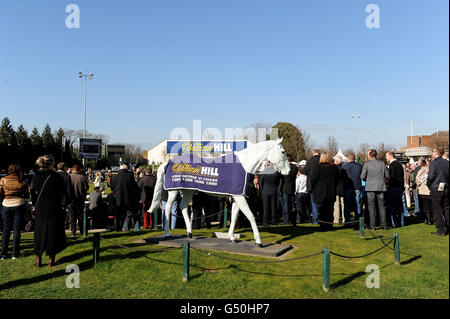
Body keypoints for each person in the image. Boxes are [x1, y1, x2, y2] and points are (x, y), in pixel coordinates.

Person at [31, 155, 66, 267]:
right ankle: (51, 259)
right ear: (51, 164)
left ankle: (38, 258)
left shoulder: (35, 176)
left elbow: (33, 193)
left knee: (39, 233)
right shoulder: (56, 176)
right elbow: (63, 193)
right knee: (52, 232)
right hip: (53, 207)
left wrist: (34, 204)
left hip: (40, 207)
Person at [0, 164, 29, 260]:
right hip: (19, 204)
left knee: (6, 230)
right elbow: (26, 194)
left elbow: (0, 193)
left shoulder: (3, 180)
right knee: (16, 230)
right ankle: (15, 254)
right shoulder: (21, 180)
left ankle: (4, 254)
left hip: (6, 204)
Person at [308, 152, 339, 231]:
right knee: (329, 210)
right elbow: (337, 180)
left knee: (322, 211)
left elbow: (312, 180)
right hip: (330, 192)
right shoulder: (334, 168)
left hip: (319, 192)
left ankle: (323, 226)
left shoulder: (317, 168)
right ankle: (329, 226)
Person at [361, 149, 389, 230]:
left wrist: (368, 180)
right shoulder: (382, 164)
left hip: (370, 187)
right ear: (376, 155)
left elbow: (362, 176)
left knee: (371, 207)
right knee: (382, 206)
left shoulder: (367, 164)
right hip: (380, 186)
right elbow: (387, 175)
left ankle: (372, 225)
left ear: (369, 155)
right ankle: (384, 225)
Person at [111, 163, 140, 231]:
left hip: (117, 198)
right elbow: (134, 187)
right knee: (128, 213)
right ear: (126, 169)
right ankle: (125, 227)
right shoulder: (130, 175)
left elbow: (112, 187)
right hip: (128, 198)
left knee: (118, 214)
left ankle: (118, 228)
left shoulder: (115, 177)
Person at [426, 147, 449, 236]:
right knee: (446, 208)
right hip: (446, 188)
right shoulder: (447, 162)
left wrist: (429, 185)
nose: (432, 153)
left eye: (432, 151)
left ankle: (441, 229)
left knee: (437, 209)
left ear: (436, 153)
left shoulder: (434, 163)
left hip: (436, 188)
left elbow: (431, 176)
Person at [342, 152, 363, 223]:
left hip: (347, 188)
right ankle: (357, 221)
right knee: (357, 205)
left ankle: (347, 222)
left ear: (348, 159)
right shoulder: (360, 166)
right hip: (357, 187)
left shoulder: (344, 167)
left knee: (347, 206)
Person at [69, 164, 89, 236]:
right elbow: (86, 188)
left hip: (71, 201)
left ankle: (73, 232)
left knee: (72, 217)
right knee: (80, 217)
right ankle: (82, 232)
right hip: (80, 200)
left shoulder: (69, 177)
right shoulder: (82, 177)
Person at [385, 152, 405, 228]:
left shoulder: (392, 165)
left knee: (392, 206)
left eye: (386, 156)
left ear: (390, 156)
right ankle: (401, 222)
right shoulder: (399, 164)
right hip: (399, 187)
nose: (386, 158)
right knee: (400, 206)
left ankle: (394, 223)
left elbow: (391, 177)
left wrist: (387, 181)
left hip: (393, 187)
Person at [260, 162, 281, 226]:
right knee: (273, 207)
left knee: (266, 208)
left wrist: (262, 190)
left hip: (265, 192)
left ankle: (265, 222)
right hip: (273, 191)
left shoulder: (264, 173)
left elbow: (261, 183)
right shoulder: (275, 173)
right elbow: (278, 182)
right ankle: (274, 221)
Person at [280, 155, 298, 225]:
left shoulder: (284, 168)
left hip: (285, 188)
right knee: (293, 205)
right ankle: (293, 220)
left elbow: (281, 176)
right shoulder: (295, 167)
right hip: (292, 187)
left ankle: (286, 220)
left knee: (286, 205)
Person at [304, 149, 321, 224]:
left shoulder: (309, 161)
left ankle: (315, 219)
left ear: (313, 153)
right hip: (321, 185)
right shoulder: (322, 160)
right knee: (321, 202)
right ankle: (321, 217)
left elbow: (305, 171)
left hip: (311, 185)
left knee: (313, 202)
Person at [56, 162, 74, 231]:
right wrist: (70, 199)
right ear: (64, 167)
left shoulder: (52, 175)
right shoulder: (66, 176)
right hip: (63, 200)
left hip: (54, 199)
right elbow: (68, 189)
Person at [416, 158, 433, 225]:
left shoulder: (421, 170)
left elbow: (417, 181)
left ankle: (428, 220)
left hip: (423, 191)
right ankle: (432, 219)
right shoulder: (432, 169)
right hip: (430, 190)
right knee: (432, 206)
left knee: (425, 206)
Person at [333, 155, 345, 224]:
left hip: (336, 189)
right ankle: (344, 219)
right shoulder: (344, 169)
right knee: (343, 205)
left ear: (336, 161)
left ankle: (336, 220)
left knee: (336, 205)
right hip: (343, 188)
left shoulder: (334, 169)